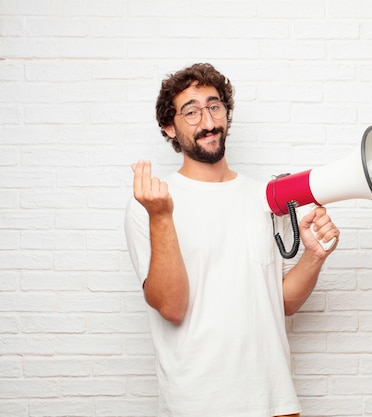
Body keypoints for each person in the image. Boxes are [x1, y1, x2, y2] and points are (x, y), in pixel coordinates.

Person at [124, 63, 340, 417]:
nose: (207, 122)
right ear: (169, 127)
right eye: (190, 112)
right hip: (196, 404)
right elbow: (172, 307)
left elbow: (280, 302)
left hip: (275, 400)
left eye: (214, 106)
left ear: (226, 114)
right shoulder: (151, 206)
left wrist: (313, 257)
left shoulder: (267, 199)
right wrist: (161, 216)